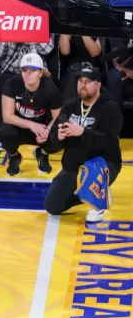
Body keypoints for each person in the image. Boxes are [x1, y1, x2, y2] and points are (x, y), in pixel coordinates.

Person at [42, 65, 123, 222]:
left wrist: (83, 132)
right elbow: (52, 144)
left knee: (92, 169)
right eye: (80, 81)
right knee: (52, 206)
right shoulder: (69, 106)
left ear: (98, 85)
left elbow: (109, 142)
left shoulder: (110, 108)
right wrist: (57, 137)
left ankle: (98, 199)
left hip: (103, 163)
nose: (83, 84)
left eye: (88, 81)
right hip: (74, 165)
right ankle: (90, 192)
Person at [0, 52, 62, 176]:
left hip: (42, 130)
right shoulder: (12, 84)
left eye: (32, 70)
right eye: (24, 70)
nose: (28, 74)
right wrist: (31, 125)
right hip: (20, 128)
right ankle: (14, 157)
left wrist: (48, 130)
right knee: (5, 131)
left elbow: (59, 116)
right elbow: (7, 116)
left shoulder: (49, 87)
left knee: (63, 132)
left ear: (40, 72)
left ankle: (43, 153)